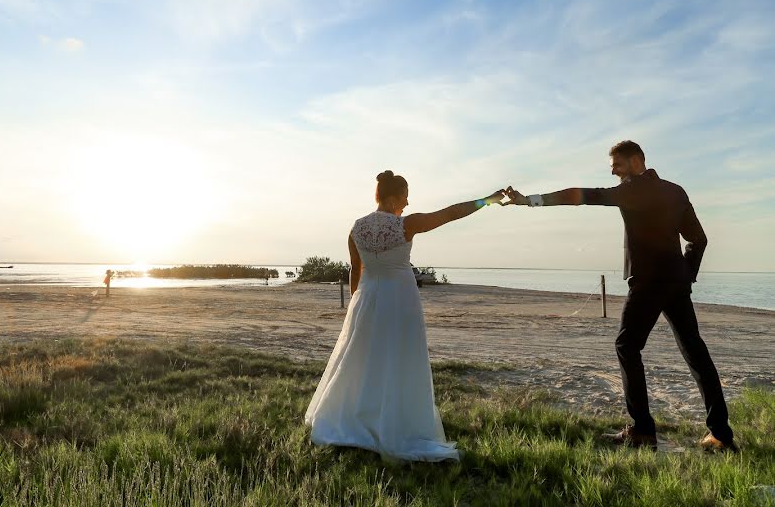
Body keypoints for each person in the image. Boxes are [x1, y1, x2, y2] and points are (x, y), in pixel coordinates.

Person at [504, 140, 736, 451]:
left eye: (618, 165)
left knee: (627, 347)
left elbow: (582, 196)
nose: (614, 171)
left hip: (647, 284)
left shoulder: (632, 189)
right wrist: (685, 275)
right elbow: (699, 239)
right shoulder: (676, 191)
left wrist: (528, 200)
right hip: (676, 284)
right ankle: (721, 434)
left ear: (637, 161)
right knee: (696, 353)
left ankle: (642, 429)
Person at [304, 170, 505, 461]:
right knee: (400, 358)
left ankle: (359, 416)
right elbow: (450, 213)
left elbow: (354, 269)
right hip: (399, 300)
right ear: (391, 197)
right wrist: (488, 200)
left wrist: (355, 301)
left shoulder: (356, 229)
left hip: (367, 299)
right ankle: (396, 422)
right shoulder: (404, 225)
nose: (408, 203)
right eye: (405, 196)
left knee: (364, 358)